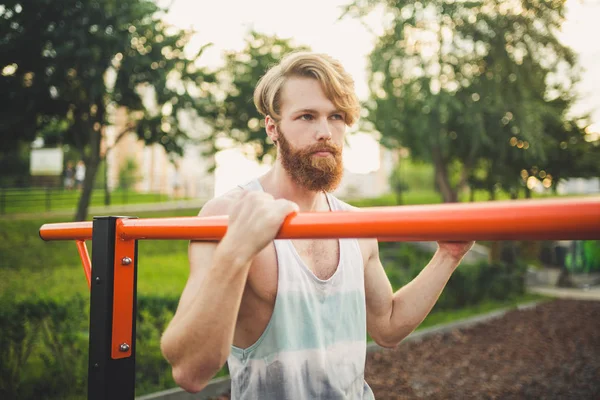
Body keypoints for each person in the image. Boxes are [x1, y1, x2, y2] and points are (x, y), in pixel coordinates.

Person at [160, 52, 474, 399]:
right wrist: (236, 250)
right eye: (306, 116)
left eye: (336, 116)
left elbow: (387, 327)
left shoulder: (356, 225)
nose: (325, 132)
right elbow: (189, 370)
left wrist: (448, 256)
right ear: (272, 127)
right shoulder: (227, 215)